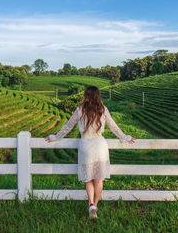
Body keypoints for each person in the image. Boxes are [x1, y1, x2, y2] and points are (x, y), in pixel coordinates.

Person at [44, 86, 136, 219]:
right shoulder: (103, 110)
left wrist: (56, 137)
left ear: (86, 96)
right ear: (98, 96)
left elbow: (68, 127)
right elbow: (114, 127)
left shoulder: (80, 110)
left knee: (88, 179)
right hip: (100, 146)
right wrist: (125, 137)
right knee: (98, 180)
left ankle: (91, 204)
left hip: (85, 147)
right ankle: (95, 206)